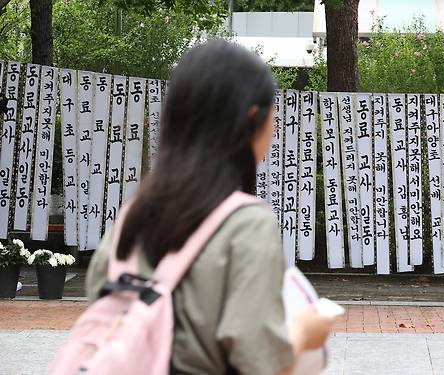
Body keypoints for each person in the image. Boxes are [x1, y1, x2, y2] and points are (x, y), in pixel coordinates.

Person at [85, 40, 335, 374]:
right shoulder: (246, 223)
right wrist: (305, 332)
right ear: (252, 118)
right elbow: (259, 363)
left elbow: (102, 310)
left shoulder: (134, 215)